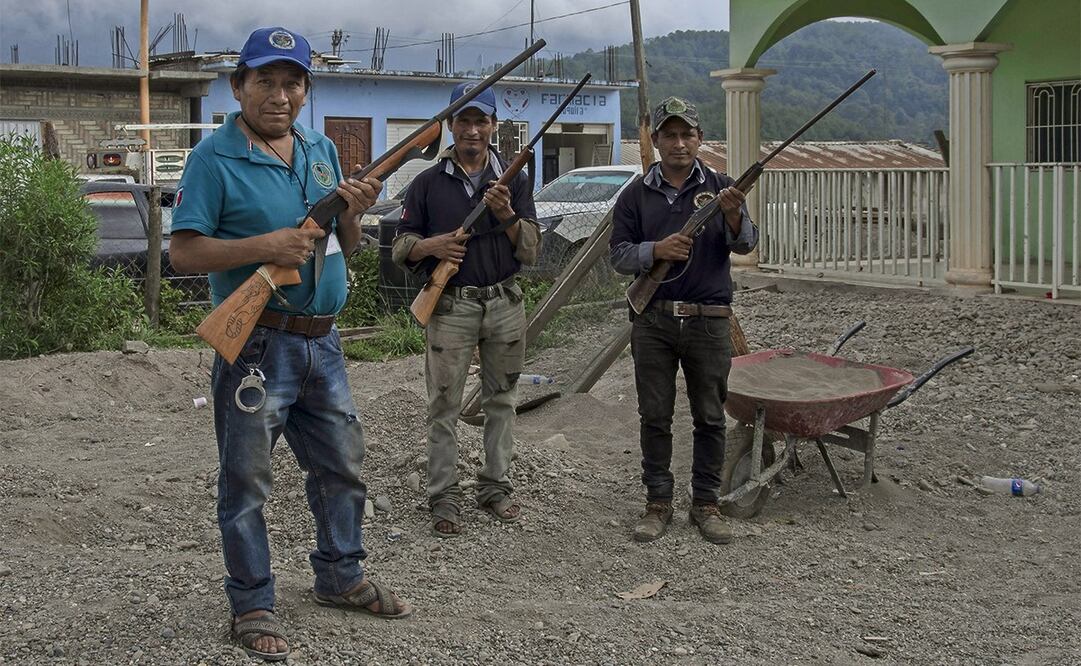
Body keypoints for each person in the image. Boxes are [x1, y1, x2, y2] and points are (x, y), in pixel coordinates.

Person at [169, 26, 412, 661]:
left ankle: (340, 576)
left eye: (293, 82)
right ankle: (251, 604)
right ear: (238, 86)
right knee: (246, 482)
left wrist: (354, 210)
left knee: (341, 467)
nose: (280, 94)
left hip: (323, 345)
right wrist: (265, 247)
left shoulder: (320, 149)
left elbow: (346, 246)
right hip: (255, 345)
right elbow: (183, 251)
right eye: (266, 81)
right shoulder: (212, 158)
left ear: (306, 90)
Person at [392, 82, 540, 538]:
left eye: (481, 121)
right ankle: (444, 496)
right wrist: (431, 246)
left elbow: (532, 250)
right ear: (450, 127)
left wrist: (507, 215)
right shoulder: (427, 182)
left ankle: (495, 487)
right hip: (451, 304)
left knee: (502, 400)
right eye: (464, 121)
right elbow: (400, 247)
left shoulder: (514, 180)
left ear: (493, 127)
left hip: (504, 302)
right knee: (444, 405)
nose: (472, 129)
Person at [609, 96, 759, 545]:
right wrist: (656, 250)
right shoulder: (635, 195)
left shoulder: (723, 187)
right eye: (669, 135)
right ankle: (658, 503)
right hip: (653, 320)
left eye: (687, 134)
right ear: (655, 140)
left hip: (709, 322)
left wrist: (733, 214)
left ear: (700, 138)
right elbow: (618, 254)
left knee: (710, 417)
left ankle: (706, 504)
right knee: (654, 415)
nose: (678, 143)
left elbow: (747, 244)